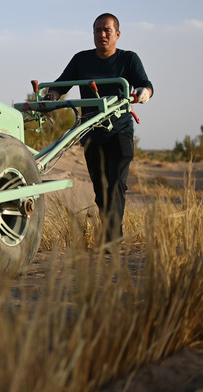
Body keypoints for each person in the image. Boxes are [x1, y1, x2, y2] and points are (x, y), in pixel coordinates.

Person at [45, 13, 153, 244]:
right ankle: (110, 233)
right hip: (92, 131)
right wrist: (50, 96)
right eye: (97, 30)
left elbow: (146, 85)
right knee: (100, 188)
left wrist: (144, 93)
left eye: (107, 30)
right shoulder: (81, 60)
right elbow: (61, 84)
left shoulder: (128, 59)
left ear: (117, 34)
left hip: (120, 130)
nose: (102, 35)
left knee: (116, 183)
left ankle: (111, 239)